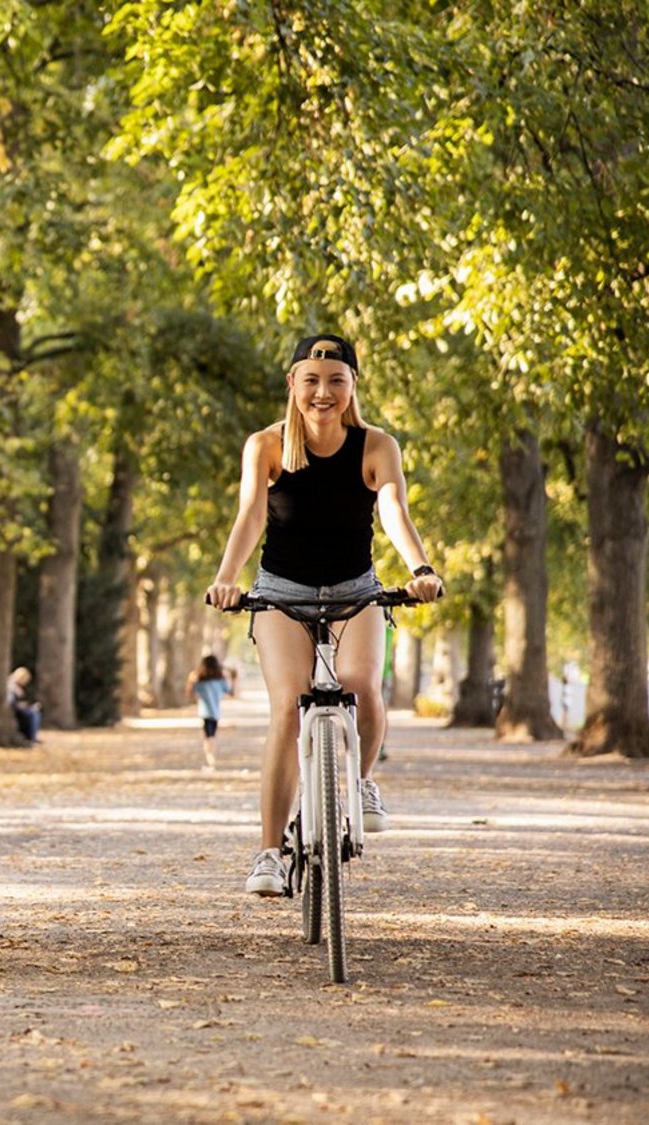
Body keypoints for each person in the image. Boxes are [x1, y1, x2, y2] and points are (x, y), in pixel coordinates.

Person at [204, 334, 444, 897]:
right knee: (289, 704)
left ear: (352, 386)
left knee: (361, 682)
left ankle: (358, 785)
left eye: (337, 380)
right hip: (281, 590)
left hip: (354, 589)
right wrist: (225, 578)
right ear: (292, 385)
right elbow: (250, 515)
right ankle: (268, 852)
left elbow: (394, 511)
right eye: (311, 380)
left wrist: (422, 567)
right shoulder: (265, 445)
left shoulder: (376, 445)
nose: (323, 392)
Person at [187, 654, 233, 769]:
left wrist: (190, 679)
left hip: (205, 713)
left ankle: (210, 759)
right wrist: (233, 678)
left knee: (208, 736)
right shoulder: (220, 682)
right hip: (216, 713)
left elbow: (190, 693)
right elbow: (232, 692)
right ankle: (211, 758)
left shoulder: (201, 683)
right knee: (212, 736)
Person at [6, 667, 42, 743]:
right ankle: (32, 737)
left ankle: (32, 736)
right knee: (33, 714)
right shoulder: (12, 686)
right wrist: (22, 706)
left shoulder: (15, 687)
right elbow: (12, 702)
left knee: (33, 711)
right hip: (15, 710)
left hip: (17, 708)